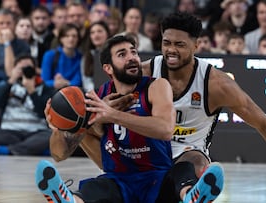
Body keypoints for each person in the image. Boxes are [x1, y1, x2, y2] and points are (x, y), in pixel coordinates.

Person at [75, 12, 266, 203]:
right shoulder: (143, 72)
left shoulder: (216, 84)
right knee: (90, 130)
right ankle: (78, 195)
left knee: (194, 159)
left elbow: (264, 124)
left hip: (188, 154)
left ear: (196, 46)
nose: (171, 50)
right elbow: (104, 104)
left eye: (179, 44)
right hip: (145, 155)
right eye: (166, 43)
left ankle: (192, 194)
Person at [36, 35, 223, 203]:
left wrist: (112, 115)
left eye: (133, 52)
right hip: (119, 181)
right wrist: (61, 128)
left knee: (183, 170)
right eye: (122, 54)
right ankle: (70, 200)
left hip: (156, 179)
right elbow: (59, 155)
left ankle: (192, 196)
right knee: (95, 186)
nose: (132, 57)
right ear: (108, 68)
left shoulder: (156, 86)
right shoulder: (99, 97)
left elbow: (166, 129)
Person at [0, 54, 54, 155]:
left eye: (28, 68)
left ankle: (8, 151)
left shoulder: (45, 89)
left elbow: (43, 113)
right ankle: (29, 149)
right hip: (10, 131)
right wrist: (11, 81)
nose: (25, 71)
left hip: (36, 132)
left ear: (35, 70)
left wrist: (32, 91)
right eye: (21, 68)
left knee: (50, 136)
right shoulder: (7, 85)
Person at [41, 23, 82, 89]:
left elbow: (78, 80)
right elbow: (44, 80)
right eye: (66, 36)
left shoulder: (80, 57)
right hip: (53, 93)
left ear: (78, 39)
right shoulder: (49, 55)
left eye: (74, 36)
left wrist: (65, 83)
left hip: (73, 93)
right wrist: (55, 83)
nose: (71, 39)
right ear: (61, 39)